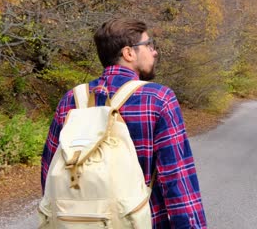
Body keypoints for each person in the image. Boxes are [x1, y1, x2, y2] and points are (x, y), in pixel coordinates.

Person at [41, 19, 207, 228]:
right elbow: (177, 180)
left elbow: (49, 171)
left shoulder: (72, 99)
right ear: (129, 53)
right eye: (149, 45)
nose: (154, 52)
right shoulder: (157, 98)